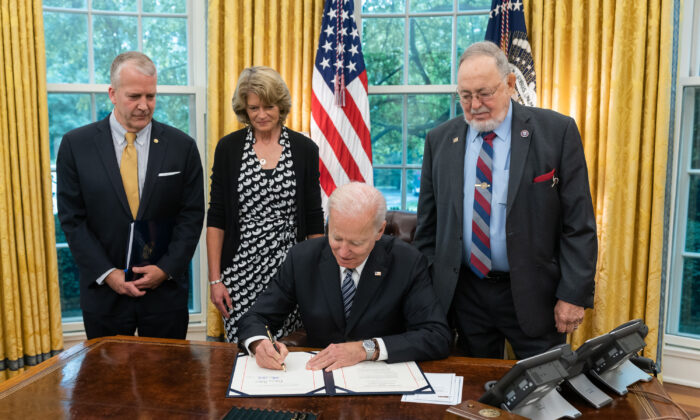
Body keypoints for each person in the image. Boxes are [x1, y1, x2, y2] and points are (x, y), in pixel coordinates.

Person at [413, 41, 597, 359]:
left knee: (542, 393)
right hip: (465, 295)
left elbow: (578, 224)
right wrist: (429, 293)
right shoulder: (440, 140)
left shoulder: (556, 132)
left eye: (485, 93)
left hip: (535, 293)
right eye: (465, 95)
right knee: (475, 398)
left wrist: (573, 294)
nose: (475, 105)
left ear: (510, 84)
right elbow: (428, 228)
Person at [57, 51, 205, 339]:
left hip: (165, 294)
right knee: (107, 383)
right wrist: (108, 274)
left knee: (168, 381)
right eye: (134, 96)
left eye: (150, 96)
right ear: (112, 93)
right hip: (104, 295)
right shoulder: (76, 145)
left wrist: (165, 269)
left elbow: (192, 215)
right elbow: (72, 220)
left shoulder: (182, 146)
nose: (144, 105)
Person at [237, 182, 451, 371]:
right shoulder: (302, 257)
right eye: (337, 238)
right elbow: (256, 318)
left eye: (356, 243)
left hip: (380, 377)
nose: (343, 252)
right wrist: (259, 344)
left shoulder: (406, 261)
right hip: (317, 376)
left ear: (379, 231)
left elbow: (436, 335)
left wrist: (366, 349)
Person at [207, 66, 324, 343]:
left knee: (287, 349)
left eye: (269, 106)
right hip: (239, 270)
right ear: (243, 109)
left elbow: (313, 217)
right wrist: (215, 280)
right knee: (244, 348)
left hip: (290, 269)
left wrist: (314, 276)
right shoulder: (228, 148)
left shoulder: (304, 149)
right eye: (253, 107)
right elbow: (217, 217)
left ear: (281, 106)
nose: (261, 115)